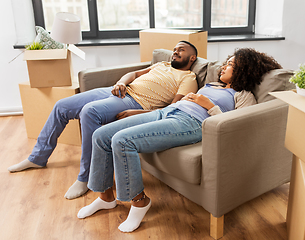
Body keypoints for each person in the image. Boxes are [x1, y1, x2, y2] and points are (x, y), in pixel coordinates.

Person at [77, 48, 282, 232]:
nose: (224, 67)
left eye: (231, 65)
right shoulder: (212, 84)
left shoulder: (243, 95)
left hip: (191, 123)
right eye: (227, 62)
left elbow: (238, 126)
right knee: (101, 135)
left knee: (122, 141)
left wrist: (208, 104)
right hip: (169, 112)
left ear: (244, 71)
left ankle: (140, 202)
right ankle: (105, 198)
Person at [8, 41, 199, 200]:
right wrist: (121, 82)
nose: (175, 52)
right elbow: (133, 74)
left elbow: (172, 109)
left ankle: (86, 177)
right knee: (62, 106)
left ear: (192, 58)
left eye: (181, 50)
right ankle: (37, 158)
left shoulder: (189, 78)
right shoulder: (161, 65)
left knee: (89, 112)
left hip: (135, 102)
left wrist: (138, 113)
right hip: (118, 90)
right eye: (174, 49)